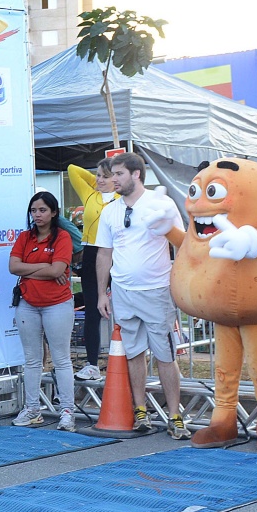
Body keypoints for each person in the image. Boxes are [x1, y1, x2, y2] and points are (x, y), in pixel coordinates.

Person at [93, 154, 189, 438]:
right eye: (112, 174)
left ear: (136, 174)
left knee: (165, 355)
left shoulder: (161, 204)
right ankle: (140, 411)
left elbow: (182, 244)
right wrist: (101, 293)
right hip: (123, 292)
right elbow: (104, 253)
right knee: (134, 353)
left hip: (156, 290)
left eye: (119, 174)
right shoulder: (110, 210)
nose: (113, 179)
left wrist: (180, 282)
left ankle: (175, 416)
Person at [10, 190, 78, 431]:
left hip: (57, 303)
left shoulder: (62, 237)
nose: (37, 215)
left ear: (54, 212)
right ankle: (32, 409)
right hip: (28, 303)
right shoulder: (25, 237)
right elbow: (13, 267)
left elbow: (57, 270)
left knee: (61, 359)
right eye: (33, 210)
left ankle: (67, 411)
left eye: (42, 210)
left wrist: (29, 270)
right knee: (32, 359)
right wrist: (45, 268)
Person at [67, 159, 118, 381]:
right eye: (98, 175)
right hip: (92, 252)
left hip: (118, 254)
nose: (99, 180)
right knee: (92, 309)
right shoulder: (90, 195)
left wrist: (114, 179)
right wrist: (99, 179)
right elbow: (73, 170)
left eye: (105, 176)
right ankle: (92, 364)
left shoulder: (122, 198)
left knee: (124, 310)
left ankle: (126, 361)